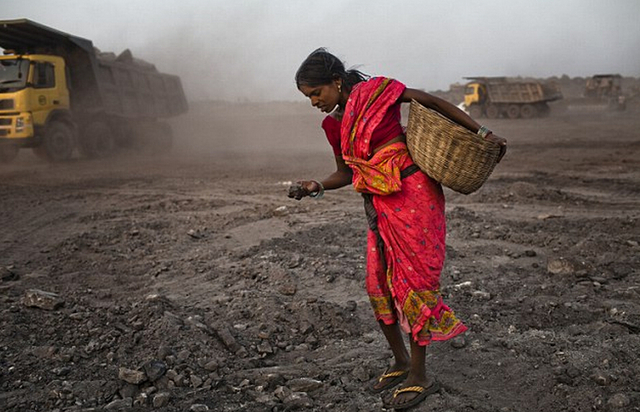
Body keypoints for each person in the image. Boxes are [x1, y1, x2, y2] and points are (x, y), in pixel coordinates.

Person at [288, 48, 506, 410]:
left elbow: (431, 101)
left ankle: (420, 376)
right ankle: (401, 361)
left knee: (414, 282)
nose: (313, 102)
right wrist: (316, 185)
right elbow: (346, 171)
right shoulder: (332, 125)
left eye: (316, 93)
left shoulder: (378, 92)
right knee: (379, 283)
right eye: (308, 97)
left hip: (414, 194)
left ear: (336, 82)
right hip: (377, 203)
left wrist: (484, 132)